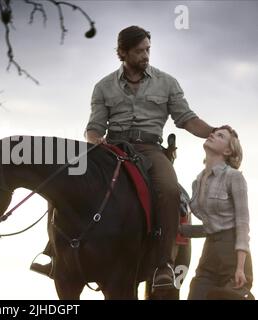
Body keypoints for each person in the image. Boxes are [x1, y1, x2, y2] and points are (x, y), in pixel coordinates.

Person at [31, 25, 217, 289]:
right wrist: (96, 140)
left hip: (150, 149)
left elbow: (187, 119)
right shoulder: (103, 86)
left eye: (147, 50)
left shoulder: (167, 82)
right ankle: (54, 253)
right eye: (139, 51)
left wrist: (213, 130)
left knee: (169, 190)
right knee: (67, 178)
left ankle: (162, 264)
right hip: (111, 149)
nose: (145, 55)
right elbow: (94, 126)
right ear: (123, 52)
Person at [187, 126, 253, 299]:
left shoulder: (234, 177)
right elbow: (210, 225)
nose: (212, 135)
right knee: (196, 294)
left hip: (232, 254)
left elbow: (242, 224)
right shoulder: (198, 181)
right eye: (213, 133)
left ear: (228, 150)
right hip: (209, 253)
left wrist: (240, 268)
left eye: (220, 135)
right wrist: (176, 229)